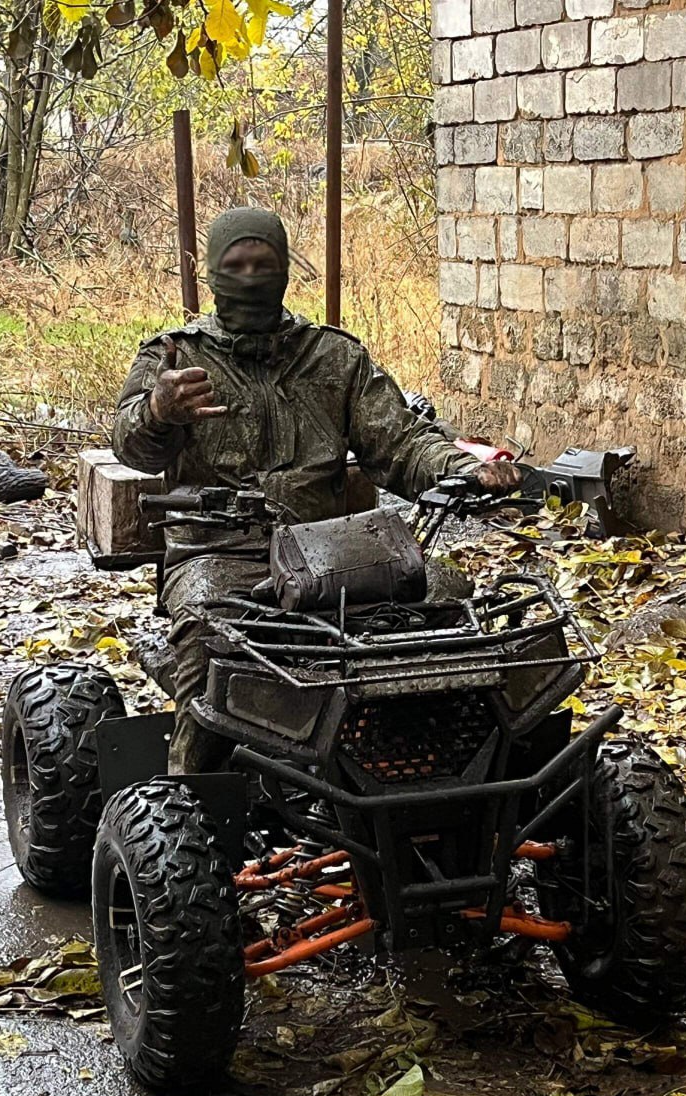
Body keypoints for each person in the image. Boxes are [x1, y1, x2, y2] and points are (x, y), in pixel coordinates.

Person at [113, 207, 520, 774]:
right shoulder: (177, 358)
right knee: (212, 649)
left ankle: (448, 768)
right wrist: (159, 410)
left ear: (284, 270)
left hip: (333, 548)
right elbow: (132, 447)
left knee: (452, 606)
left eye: (264, 263)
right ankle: (191, 800)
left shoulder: (333, 356)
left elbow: (400, 442)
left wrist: (462, 468)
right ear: (211, 273)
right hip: (221, 554)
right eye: (236, 264)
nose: (251, 276)